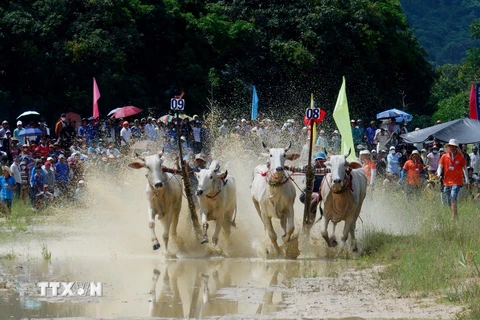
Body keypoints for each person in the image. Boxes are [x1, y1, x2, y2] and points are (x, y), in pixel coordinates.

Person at [437, 139, 469, 219]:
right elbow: (440, 166)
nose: (452, 148)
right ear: (448, 147)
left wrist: (467, 179)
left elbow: (464, 168)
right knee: (449, 201)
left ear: (456, 148)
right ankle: (455, 215)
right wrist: (438, 173)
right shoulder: (444, 156)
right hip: (447, 181)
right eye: (450, 146)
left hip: (457, 181)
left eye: (454, 147)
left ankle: (453, 217)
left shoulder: (460, 157)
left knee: (453, 197)